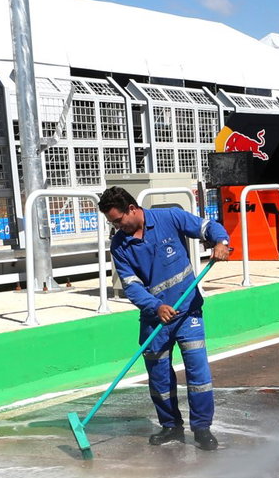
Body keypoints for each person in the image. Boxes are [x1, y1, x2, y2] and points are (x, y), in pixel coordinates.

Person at [99, 187, 232, 450]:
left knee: (198, 372)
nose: (116, 227)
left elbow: (207, 227)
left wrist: (221, 242)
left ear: (132, 209)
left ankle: (202, 429)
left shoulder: (170, 217)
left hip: (188, 312)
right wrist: (156, 306)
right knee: (159, 378)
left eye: (118, 220)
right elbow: (131, 286)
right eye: (112, 223)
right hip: (155, 320)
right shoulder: (119, 246)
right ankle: (171, 426)